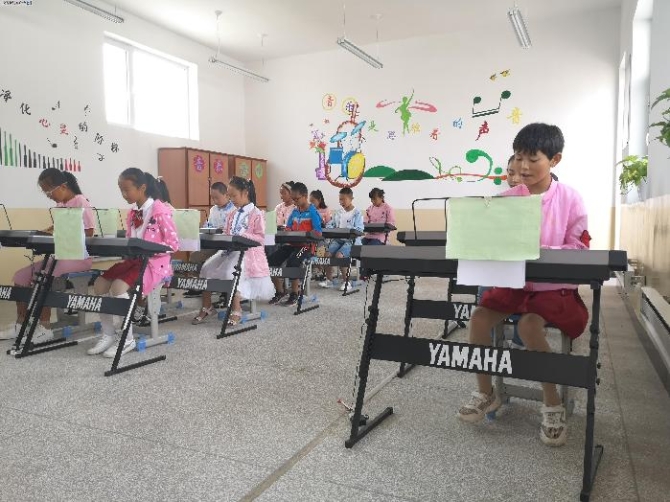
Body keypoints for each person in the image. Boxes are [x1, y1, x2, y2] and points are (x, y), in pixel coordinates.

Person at [457, 123, 591, 447]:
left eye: (533, 159)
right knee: (478, 318)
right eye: (518, 158)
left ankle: (552, 403)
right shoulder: (505, 199)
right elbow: (490, 243)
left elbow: (580, 248)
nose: (523, 166)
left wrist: (540, 251)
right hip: (514, 285)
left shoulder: (570, 199)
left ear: (554, 160)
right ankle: (486, 393)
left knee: (530, 326)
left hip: (552, 288)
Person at [87, 168, 178, 357]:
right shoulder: (132, 213)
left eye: (127, 190)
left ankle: (127, 339)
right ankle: (108, 334)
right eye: (121, 190)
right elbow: (130, 240)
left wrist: (147, 248)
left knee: (118, 287)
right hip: (134, 260)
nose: (124, 194)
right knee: (99, 284)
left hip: (154, 263)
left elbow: (173, 245)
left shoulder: (160, 210)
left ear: (142, 188)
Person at [0, 169, 95, 343]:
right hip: (59, 256)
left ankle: (45, 328)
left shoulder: (81, 201)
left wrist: (64, 235)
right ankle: (21, 325)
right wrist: (43, 233)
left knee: (43, 276)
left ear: (63, 187)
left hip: (78, 258)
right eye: (45, 193)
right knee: (20, 277)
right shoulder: (59, 206)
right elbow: (57, 227)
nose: (48, 196)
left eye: (49, 191)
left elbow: (89, 233)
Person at [192, 177, 274, 325]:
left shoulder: (256, 213)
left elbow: (261, 237)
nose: (231, 199)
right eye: (229, 196)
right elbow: (227, 232)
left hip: (248, 253)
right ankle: (207, 306)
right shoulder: (232, 214)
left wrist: (241, 236)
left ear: (245, 192)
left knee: (231, 271)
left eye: (234, 195)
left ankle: (237, 309)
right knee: (206, 268)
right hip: (230, 250)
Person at [267, 182, 322, 306]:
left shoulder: (313, 211)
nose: (294, 202)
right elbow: (288, 227)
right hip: (292, 244)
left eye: (296, 199)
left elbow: (318, 232)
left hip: (306, 246)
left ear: (305, 196)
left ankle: (294, 293)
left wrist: (306, 234)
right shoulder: (295, 211)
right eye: (293, 199)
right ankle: (280, 292)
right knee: (270, 262)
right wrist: (286, 231)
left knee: (293, 262)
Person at [183, 182, 236, 298]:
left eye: (217, 197)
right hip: (213, 244)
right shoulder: (213, 210)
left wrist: (225, 229)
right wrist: (205, 229)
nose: (215, 201)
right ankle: (196, 286)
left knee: (221, 261)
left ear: (227, 195)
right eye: (212, 198)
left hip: (228, 246)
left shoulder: (234, 209)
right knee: (195, 256)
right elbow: (207, 225)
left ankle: (224, 289)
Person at [319, 187, 364, 291]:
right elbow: (331, 224)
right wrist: (330, 228)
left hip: (351, 241)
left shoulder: (357, 213)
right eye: (340, 199)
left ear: (351, 198)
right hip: (338, 239)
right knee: (326, 254)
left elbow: (359, 229)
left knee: (339, 255)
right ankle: (329, 280)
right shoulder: (339, 212)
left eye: (344, 199)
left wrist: (347, 230)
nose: (341, 202)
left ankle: (346, 282)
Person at [310, 190, 332, 280]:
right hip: (312, 236)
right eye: (310, 201)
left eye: (313, 201)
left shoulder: (326, 210)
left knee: (321, 249)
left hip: (323, 237)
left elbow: (329, 225)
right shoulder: (309, 210)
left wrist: (322, 225)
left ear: (319, 200)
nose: (311, 203)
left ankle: (321, 270)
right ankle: (319, 269)